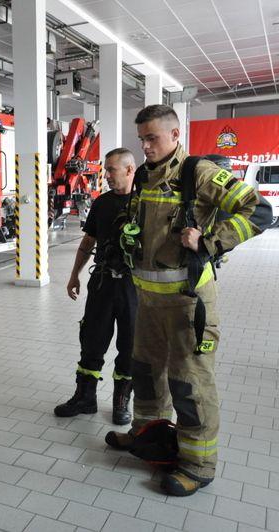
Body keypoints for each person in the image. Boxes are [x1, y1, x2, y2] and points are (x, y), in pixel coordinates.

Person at [105, 104, 273, 496]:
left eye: (152, 138)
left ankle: (198, 465)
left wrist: (210, 242)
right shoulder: (143, 176)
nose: (146, 146)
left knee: (189, 383)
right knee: (146, 373)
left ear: (175, 134)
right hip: (149, 301)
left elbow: (258, 210)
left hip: (188, 303)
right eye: (142, 139)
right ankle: (147, 435)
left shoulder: (198, 172)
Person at [54, 148, 137, 425]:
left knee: (130, 345)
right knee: (91, 341)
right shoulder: (102, 203)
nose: (107, 175)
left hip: (133, 287)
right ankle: (85, 397)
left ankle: (121, 401)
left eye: (111, 169)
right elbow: (88, 241)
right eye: (106, 169)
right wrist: (74, 275)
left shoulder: (145, 204)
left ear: (129, 169)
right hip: (102, 283)